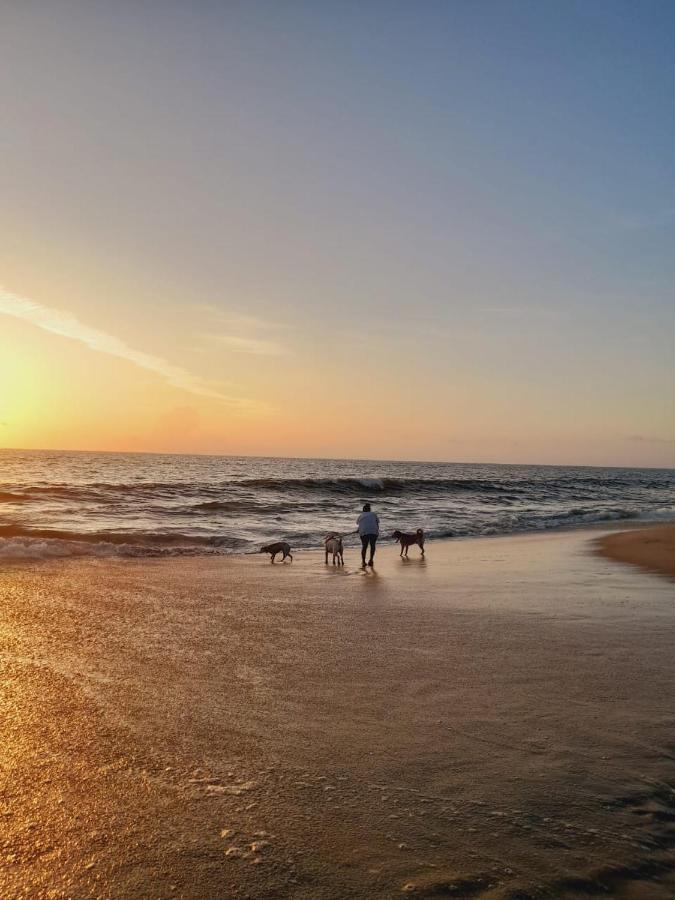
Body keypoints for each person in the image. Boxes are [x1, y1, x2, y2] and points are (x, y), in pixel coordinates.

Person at [357, 502, 379, 567]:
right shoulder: (374, 514)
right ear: (369, 509)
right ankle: (371, 560)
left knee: (364, 546)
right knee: (372, 546)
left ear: (363, 510)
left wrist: (359, 530)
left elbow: (359, 523)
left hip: (364, 532)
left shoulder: (361, 515)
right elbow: (377, 523)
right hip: (374, 532)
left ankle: (363, 562)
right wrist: (376, 531)